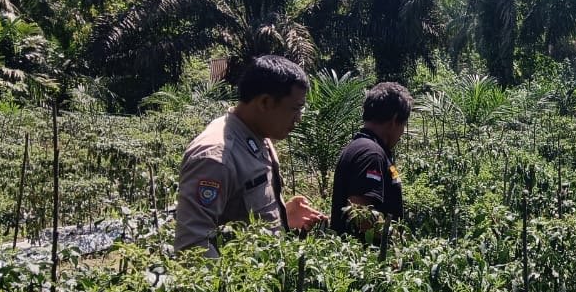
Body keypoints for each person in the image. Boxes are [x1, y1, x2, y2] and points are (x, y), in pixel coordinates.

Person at [175, 55, 327, 255]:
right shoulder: (216, 156)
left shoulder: (258, 136)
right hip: (240, 282)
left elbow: (241, 208)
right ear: (265, 102)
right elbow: (192, 244)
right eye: (294, 109)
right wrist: (229, 286)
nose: (298, 119)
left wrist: (283, 214)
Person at [330, 82, 413, 239]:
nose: (402, 132)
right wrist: (397, 240)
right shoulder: (371, 154)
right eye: (404, 125)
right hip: (365, 260)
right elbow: (361, 215)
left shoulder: (361, 146)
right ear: (395, 119)